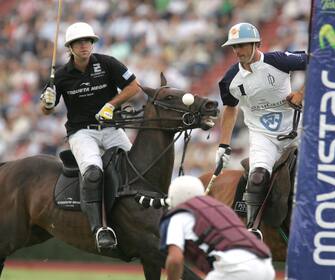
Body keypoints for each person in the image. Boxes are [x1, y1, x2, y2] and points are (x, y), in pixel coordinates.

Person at [40, 22, 141, 250]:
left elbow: (134, 87)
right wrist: (47, 102)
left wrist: (111, 104)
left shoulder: (107, 64)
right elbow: (46, 110)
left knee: (135, 169)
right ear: (71, 47)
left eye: (88, 41)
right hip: (82, 132)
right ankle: (100, 229)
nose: (84, 45)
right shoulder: (61, 75)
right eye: (79, 42)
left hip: (111, 128)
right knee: (93, 172)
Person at [215, 22, 307, 231]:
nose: (238, 51)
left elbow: (316, 63)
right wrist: (223, 145)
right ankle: (252, 229)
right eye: (234, 47)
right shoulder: (230, 79)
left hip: (297, 130)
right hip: (262, 135)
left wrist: (301, 93)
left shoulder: (278, 60)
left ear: (256, 44)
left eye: (242, 45)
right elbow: (230, 108)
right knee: (257, 177)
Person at [160, 175, 275, 280]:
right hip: (265, 266)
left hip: (234, 268)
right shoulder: (221, 208)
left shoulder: (178, 216)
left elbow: (175, 259)